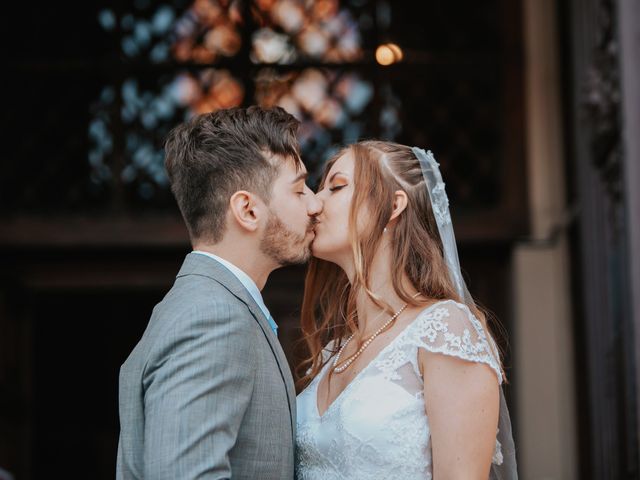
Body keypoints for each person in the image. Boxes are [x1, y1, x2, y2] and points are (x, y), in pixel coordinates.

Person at [116, 106, 322, 479]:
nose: (314, 203)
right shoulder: (212, 317)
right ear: (247, 209)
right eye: (298, 189)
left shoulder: (212, 306)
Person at [296, 140, 517, 479]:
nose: (313, 203)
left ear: (392, 206)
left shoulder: (444, 331)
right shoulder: (333, 354)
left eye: (336, 187)